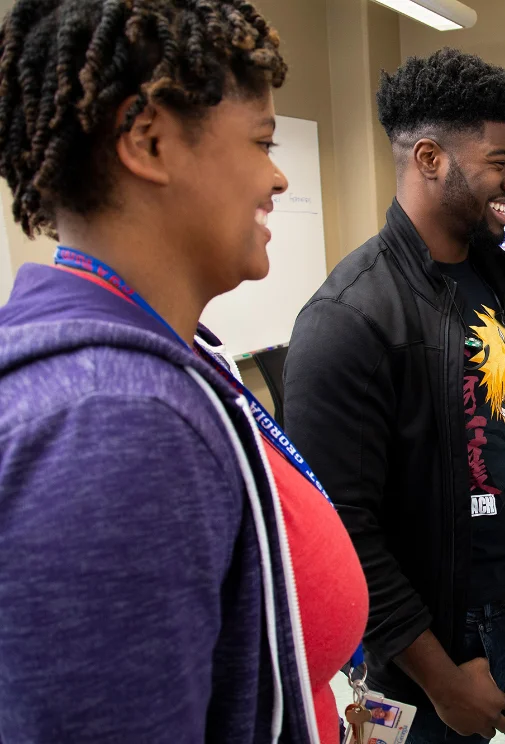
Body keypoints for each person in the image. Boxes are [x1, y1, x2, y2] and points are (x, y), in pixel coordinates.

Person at [0, 1, 367, 742]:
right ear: (149, 139)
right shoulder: (109, 421)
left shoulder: (168, 352)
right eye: (262, 141)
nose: (278, 177)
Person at [282, 49, 505, 743]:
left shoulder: (497, 282)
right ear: (430, 158)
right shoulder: (349, 320)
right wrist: (441, 679)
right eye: (499, 162)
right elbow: (346, 529)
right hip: (438, 646)